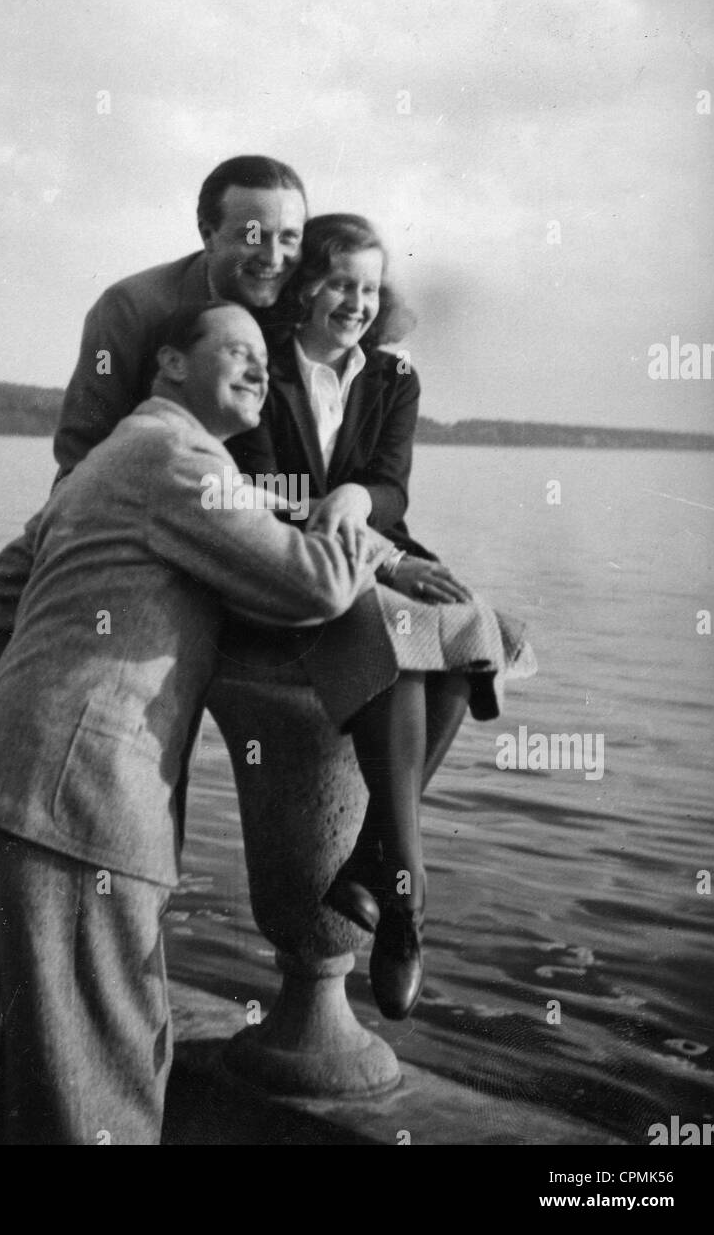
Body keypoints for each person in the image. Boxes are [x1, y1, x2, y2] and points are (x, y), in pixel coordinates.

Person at [0, 302, 396, 1145]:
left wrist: (29, 734)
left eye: (268, 358)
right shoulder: (179, 457)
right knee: (95, 1084)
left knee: (52, 1068)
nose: (262, 370)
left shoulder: (110, 458)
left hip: (28, 796)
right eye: (237, 350)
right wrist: (358, 527)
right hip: (82, 808)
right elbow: (316, 587)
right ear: (171, 364)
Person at [227, 213, 535, 1020]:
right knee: (393, 637)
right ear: (305, 290)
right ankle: (406, 900)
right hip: (282, 557)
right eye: (339, 285)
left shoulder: (393, 377)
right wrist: (382, 557)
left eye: (369, 288)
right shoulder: (261, 367)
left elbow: (392, 483)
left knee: (466, 627)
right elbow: (261, 489)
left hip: (374, 545)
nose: (357, 303)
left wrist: (364, 499)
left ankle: (373, 865)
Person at [0, 154, 309, 707]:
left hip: (253, 521)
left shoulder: (308, 304)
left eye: (290, 237)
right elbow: (82, 458)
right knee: (0, 622)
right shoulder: (133, 308)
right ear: (207, 234)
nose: (274, 257)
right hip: (132, 521)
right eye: (253, 236)